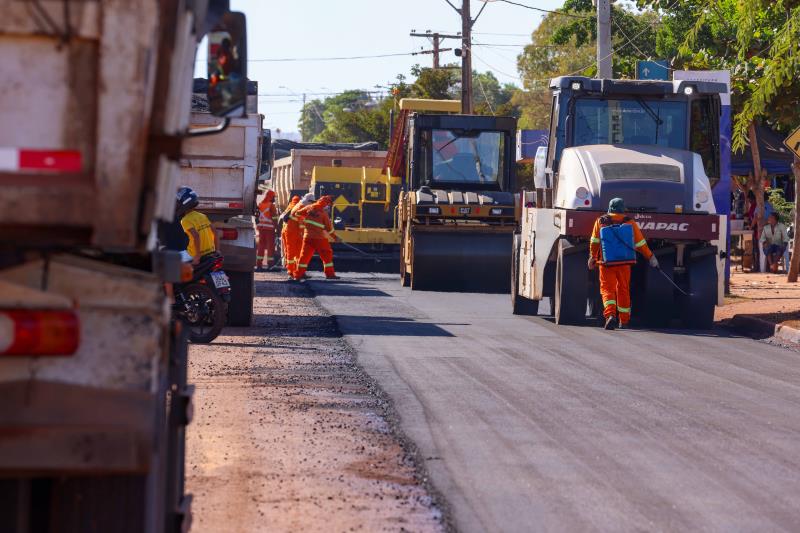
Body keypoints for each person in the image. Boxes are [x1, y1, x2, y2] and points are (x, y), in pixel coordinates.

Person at [588, 198, 658, 330]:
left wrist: (592, 257)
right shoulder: (629, 222)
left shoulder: (601, 221)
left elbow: (595, 241)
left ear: (609, 208)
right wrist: (650, 257)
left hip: (606, 263)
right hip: (624, 262)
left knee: (607, 289)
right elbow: (640, 243)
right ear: (623, 209)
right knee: (623, 289)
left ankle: (610, 315)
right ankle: (624, 321)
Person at [293, 195, 340, 280]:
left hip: (307, 237)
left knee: (304, 257)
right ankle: (330, 274)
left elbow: (297, 213)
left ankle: (298, 275)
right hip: (319, 239)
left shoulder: (308, 208)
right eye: (328, 205)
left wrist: (305, 220)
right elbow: (329, 229)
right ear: (326, 204)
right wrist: (335, 238)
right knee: (327, 255)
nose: (328, 206)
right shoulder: (323, 214)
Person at [178, 186, 218, 265]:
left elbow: (196, 236)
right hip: (210, 252)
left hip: (194, 254)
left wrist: (197, 255)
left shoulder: (185, 220)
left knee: (171, 260)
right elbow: (215, 232)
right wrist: (217, 250)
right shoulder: (202, 216)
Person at [278, 195, 302, 278]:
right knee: (294, 252)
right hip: (292, 232)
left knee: (289, 251)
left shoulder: (289, 207)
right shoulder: (297, 208)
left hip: (286, 232)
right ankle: (293, 271)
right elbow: (301, 222)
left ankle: (291, 270)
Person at [256, 190, 279, 270]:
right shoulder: (271, 206)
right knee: (270, 247)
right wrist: (277, 228)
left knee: (261, 246)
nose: (274, 198)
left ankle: (259, 264)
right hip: (269, 229)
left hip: (261, 228)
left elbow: (257, 217)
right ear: (270, 197)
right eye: (273, 197)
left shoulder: (260, 204)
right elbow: (274, 218)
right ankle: (270, 264)